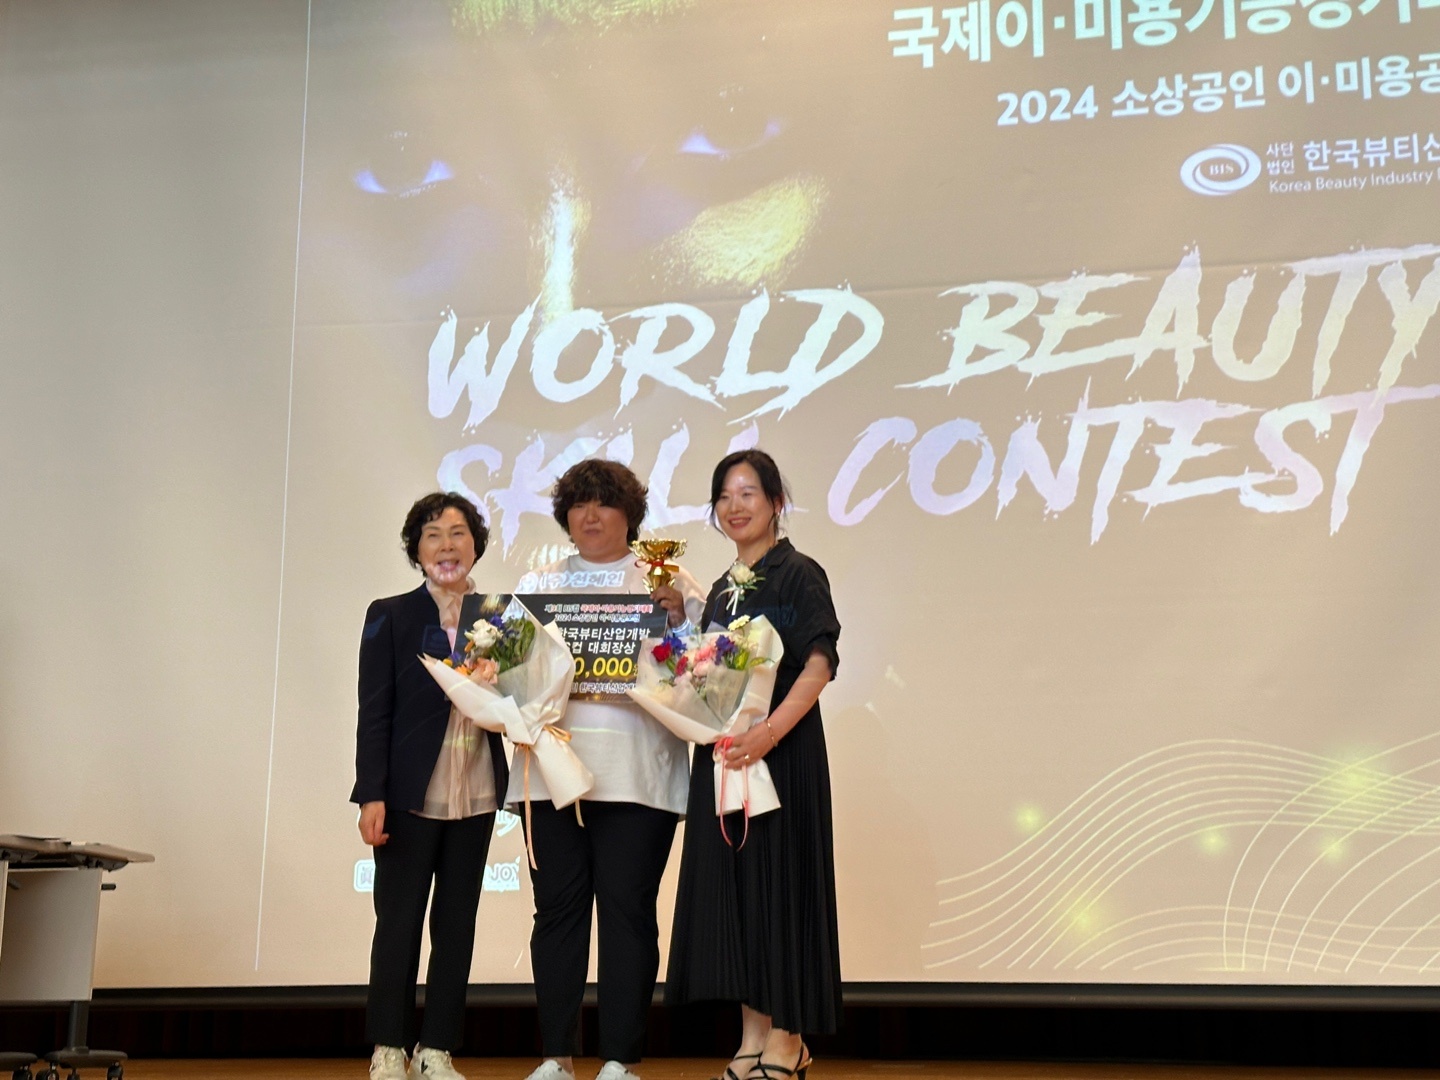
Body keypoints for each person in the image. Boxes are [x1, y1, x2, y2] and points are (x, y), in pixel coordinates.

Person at [515, 459, 706, 1080]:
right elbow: (510, 676)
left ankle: (620, 1059)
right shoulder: (537, 584)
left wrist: (677, 620)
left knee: (628, 913)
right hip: (552, 775)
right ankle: (556, 1056)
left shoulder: (668, 582)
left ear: (631, 515)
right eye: (579, 504)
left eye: (604, 503)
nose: (590, 515)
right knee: (556, 913)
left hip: (639, 775)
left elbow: (706, 677)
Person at [666, 449, 842, 1080]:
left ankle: (789, 1040)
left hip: (781, 755)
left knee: (784, 891)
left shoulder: (799, 573)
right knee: (740, 895)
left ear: (775, 502)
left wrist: (768, 733)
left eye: (747, 494)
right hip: (728, 759)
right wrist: (678, 626)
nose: (734, 506)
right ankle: (752, 1037)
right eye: (724, 496)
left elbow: (818, 664)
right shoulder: (721, 588)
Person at [352, 492, 510, 1080]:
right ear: (416, 550)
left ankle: (436, 1048)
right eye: (433, 535)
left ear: (476, 545)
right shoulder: (391, 614)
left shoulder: (501, 617)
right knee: (398, 923)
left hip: (478, 791)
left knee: (457, 924)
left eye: (458, 533)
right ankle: (388, 1046)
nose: (447, 545)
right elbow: (374, 711)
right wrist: (371, 793)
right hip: (407, 797)